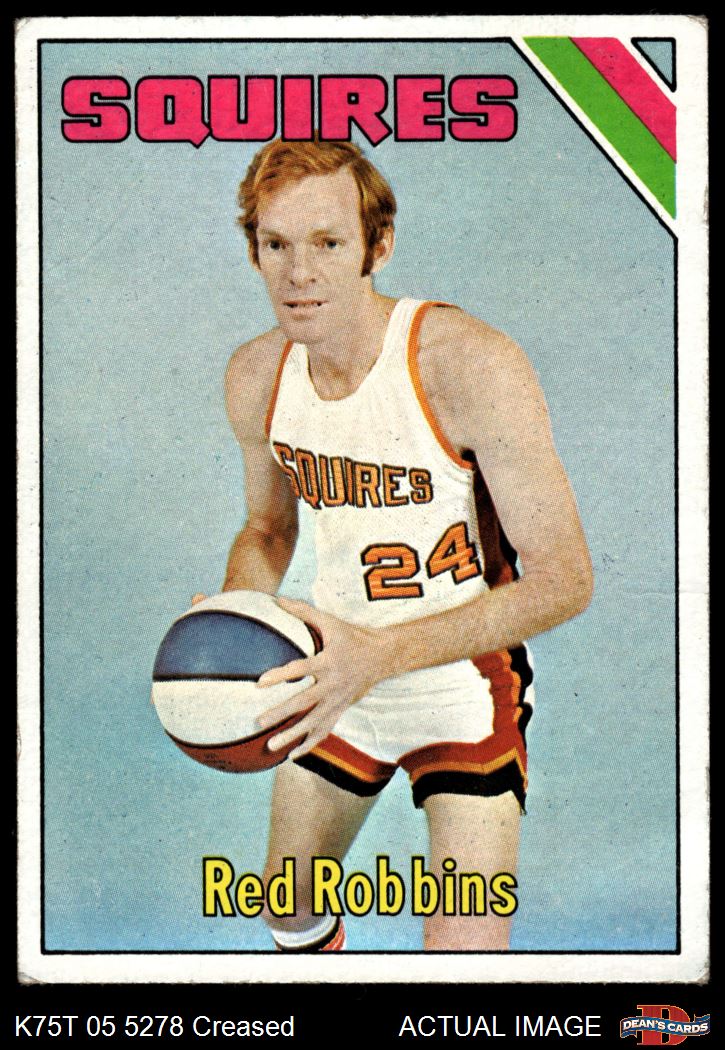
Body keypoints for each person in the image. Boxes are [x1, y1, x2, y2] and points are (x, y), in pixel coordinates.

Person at [205, 137, 593, 952]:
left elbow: (564, 580)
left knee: (463, 955)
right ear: (252, 251)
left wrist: (378, 657)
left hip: (459, 680)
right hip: (336, 677)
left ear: (377, 247)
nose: (299, 273)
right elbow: (267, 530)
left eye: (327, 243)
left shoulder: (467, 362)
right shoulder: (257, 375)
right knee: (286, 907)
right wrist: (238, 615)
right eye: (276, 245)